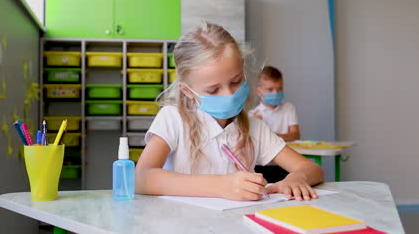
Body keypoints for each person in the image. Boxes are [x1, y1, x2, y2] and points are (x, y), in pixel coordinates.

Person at [135, 23, 323, 201]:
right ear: (186, 91)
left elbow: (312, 169)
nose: (229, 95)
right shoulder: (173, 118)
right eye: (213, 90)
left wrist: (296, 178)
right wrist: (220, 185)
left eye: (235, 81)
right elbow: (141, 178)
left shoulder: (254, 128)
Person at [249, 66, 300, 142]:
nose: (276, 93)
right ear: (258, 91)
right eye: (270, 89)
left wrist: (270, 136)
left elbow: (295, 135)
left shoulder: (288, 108)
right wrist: (256, 125)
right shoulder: (252, 115)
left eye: (280, 88)